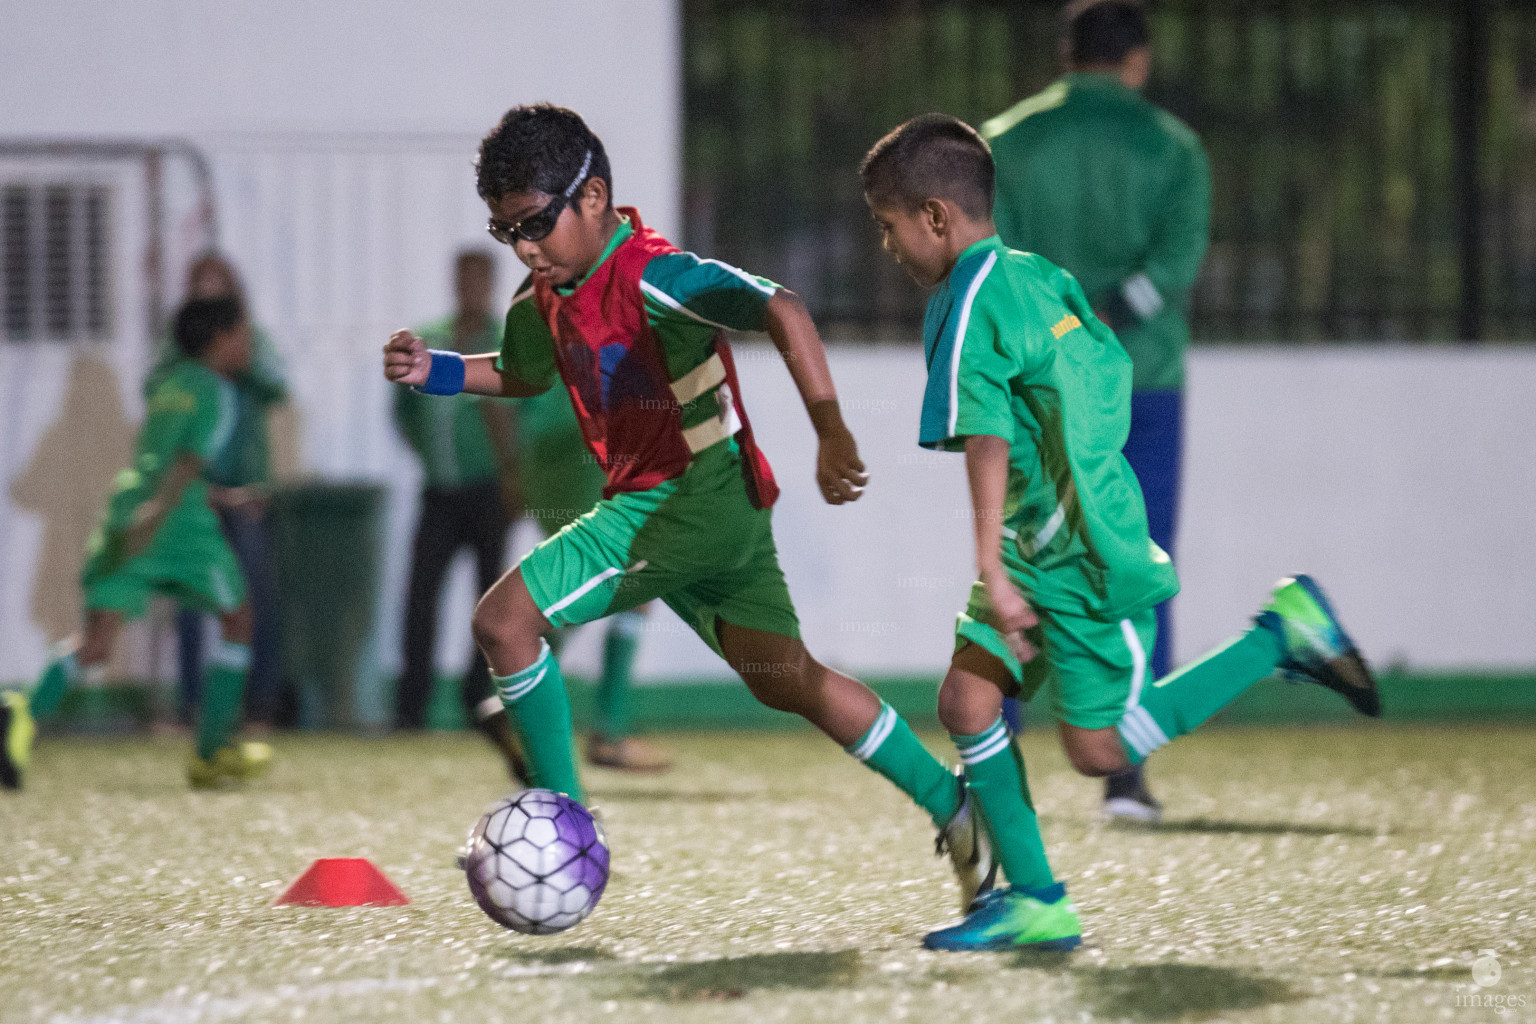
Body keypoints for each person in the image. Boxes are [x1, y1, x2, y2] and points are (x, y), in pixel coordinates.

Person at [383, 103, 994, 913]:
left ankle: (567, 836)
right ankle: (956, 810)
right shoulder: (544, 300)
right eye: (508, 232)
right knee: (790, 679)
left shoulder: (655, 276)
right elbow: (528, 373)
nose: (526, 247)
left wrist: (831, 428)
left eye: (536, 223)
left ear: (593, 196)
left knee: (504, 623)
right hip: (715, 520)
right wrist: (441, 372)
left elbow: (783, 306)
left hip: (678, 506)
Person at [860, 113, 1379, 950]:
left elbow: (987, 439)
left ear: (934, 218)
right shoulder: (1039, 276)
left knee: (1099, 752)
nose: (885, 247)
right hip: (1055, 542)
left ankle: (1277, 634)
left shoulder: (964, 306)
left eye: (887, 227)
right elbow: (1107, 369)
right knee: (967, 697)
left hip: (1076, 559)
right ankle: (1037, 902)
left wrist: (993, 563)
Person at [980, 0, 1211, 824]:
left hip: (1035, 385)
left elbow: (988, 267)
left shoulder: (1003, 142)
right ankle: (1127, 774)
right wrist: (1104, 316)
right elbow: (1173, 266)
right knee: (1137, 568)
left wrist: (1053, 331)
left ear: (1066, 54)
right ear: (1138, 60)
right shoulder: (1175, 150)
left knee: (1019, 562)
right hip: (1143, 384)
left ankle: (993, 758)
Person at [1, 297, 274, 790]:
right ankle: (211, 755)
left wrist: (216, 499)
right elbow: (188, 462)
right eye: (242, 332)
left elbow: (159, 460)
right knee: (239, 620)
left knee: (96, 643)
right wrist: (161, 515)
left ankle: (18, 715)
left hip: (126, 511)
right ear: (219, 338)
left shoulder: (167, 386)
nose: (248, 342)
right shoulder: (218, 391)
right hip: (177, 526)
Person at [392, 249, 528, 783]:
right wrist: (426, 452)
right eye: (463, 277)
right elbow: (403, 410)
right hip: (440, 490)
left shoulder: (509, 339)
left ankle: (479, 699)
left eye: (480, 278)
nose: (470, 287)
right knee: (421, 594)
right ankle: (412, 706)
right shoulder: (430, 339)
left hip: (489, 490)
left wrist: (517, 478)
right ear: (454, 282)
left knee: (488, 597)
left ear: (490, 283)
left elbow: (526, 414)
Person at [150, 254, 288, 735]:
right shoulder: (183, 363)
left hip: (244, 489)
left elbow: (276, 384)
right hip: (198, 496)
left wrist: (237, 357)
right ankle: (195, 707)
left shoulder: (250, 342)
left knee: (252, 597)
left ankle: (259, 706)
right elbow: (161, 401)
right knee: (195, 601)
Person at [514, 382, 671, 773]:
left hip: (552, 476)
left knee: (604, 593)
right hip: (587, 473)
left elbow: (511, 402)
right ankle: (606, 730)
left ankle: (515, 699)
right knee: (632, 589)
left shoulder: (549, 335)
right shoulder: (609, 339)